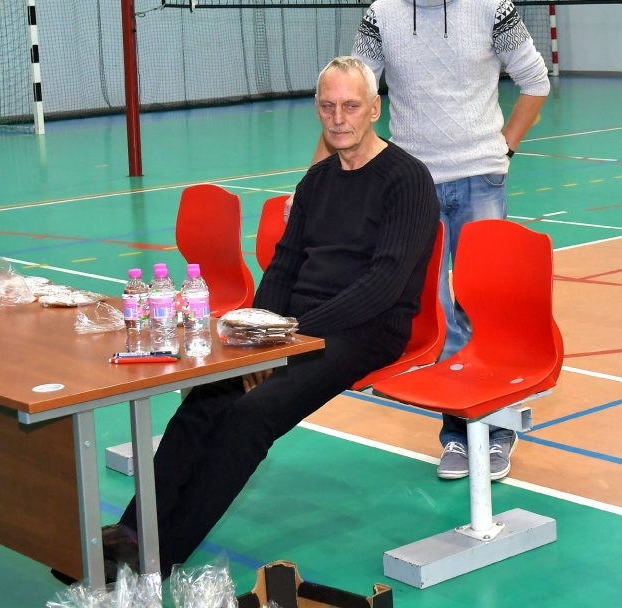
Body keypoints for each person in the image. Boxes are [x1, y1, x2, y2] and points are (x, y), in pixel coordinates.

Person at [99, 57, 439, 579]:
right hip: (293, 327)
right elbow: (283, 265)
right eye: (327, 106)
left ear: (375, 109)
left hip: (368, 329)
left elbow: (383, 285)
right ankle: (130, 533)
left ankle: (160, 557)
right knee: (207, 396)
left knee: (251, 415)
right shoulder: (318, 179)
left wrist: (291, 339)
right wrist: (261, 329)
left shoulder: (407, 179)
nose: (338, 118)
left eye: (350, 106)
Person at [301, 0, 551, 482]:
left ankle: (494, 429)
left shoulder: (493, 5)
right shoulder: (380, 16)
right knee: (433, 311)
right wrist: (313, 184)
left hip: (479, 177)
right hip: (409, 185)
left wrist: (504, 148)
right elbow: (351, 98)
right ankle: (457, 431)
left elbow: (534, 82)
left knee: (483, 306)